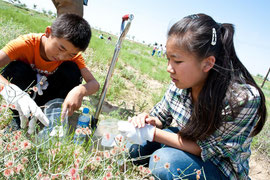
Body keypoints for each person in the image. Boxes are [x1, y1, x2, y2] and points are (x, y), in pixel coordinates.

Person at [118, 13, 266, 179]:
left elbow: (204, 148)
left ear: (207, 63)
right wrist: (148, 121)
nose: (169, 68)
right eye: (168, 59)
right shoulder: (179, 84)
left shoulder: (242, 99)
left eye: (177, 61)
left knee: (163, 161)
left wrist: (151, 133)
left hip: (219, 166)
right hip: (187, 145)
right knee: (136, 148)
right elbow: (161, 115)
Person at [0, 14, 99, 133]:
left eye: (71, 54)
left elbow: (94, 84)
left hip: (49, 100)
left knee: (72, 69)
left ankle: (51, 115)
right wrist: (9, 88)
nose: (62, 56)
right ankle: (19, 117)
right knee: (17, 68)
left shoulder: (74, 56)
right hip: (24, 95)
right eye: (61, 48)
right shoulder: (26, 44)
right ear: (48, 32)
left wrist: (80, 90)